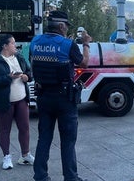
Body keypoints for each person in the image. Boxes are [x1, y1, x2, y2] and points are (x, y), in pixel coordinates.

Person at [30, 10, 91, 181]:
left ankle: (40, 176)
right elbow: (84, 63)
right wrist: (86, 44)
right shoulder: (67, 44)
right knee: (68, 140)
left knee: (44, 138)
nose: (66, 30)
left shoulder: (35, 42)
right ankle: (71, 178)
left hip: (43, 97)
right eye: (66, 27)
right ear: (62, 26)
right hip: (64, 99)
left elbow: (32, 63)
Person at [0, 34, 34, 170]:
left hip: (21, 100)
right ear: (5, 46)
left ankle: (25, 155)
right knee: (5, 130)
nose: (15, 45)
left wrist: (26, 77)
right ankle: (7, 157)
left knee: (25, 128)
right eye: (12, 43)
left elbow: (30, 73)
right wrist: (7, 78)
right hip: (4, 102)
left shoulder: (19, 57)